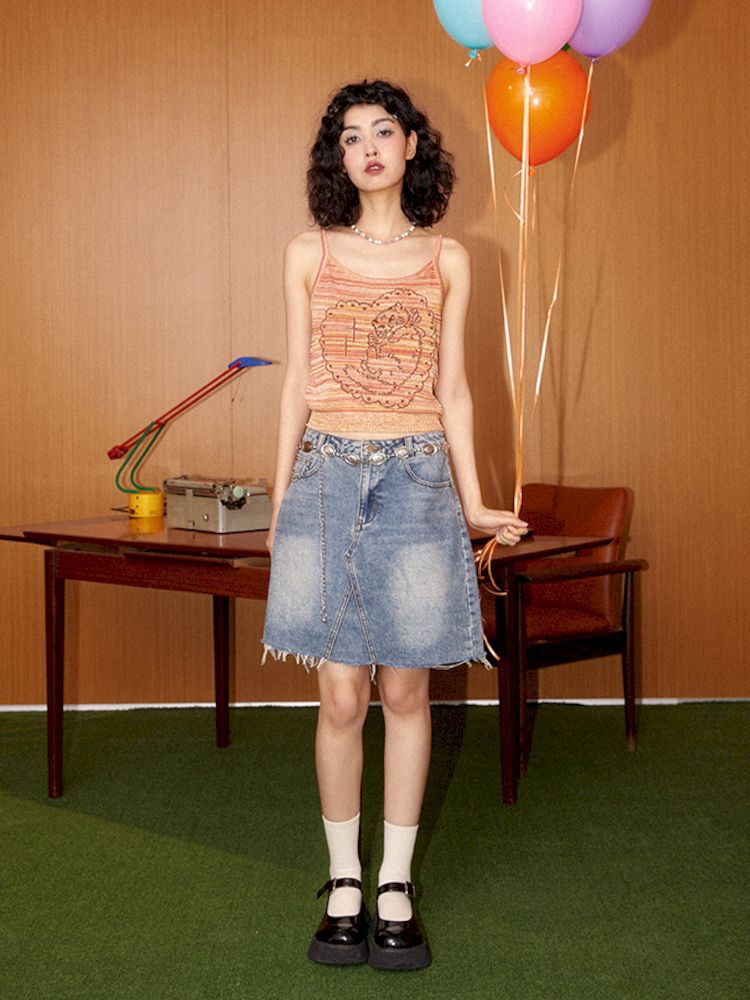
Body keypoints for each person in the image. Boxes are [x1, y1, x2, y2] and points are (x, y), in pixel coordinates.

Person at [262, 80, 527, 972]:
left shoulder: (448, 257)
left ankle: (395, 886)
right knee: (341, 695)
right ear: (337, 157)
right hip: (325, 480)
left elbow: (454, 389)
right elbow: (297, 384)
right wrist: (282, 499)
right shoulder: (308, 252)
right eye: (351, 136)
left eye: (384, 131)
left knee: (408, 693)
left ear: (412, 145)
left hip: (417, 481)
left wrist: (475, 500)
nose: (368, 147)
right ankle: (344, 880)